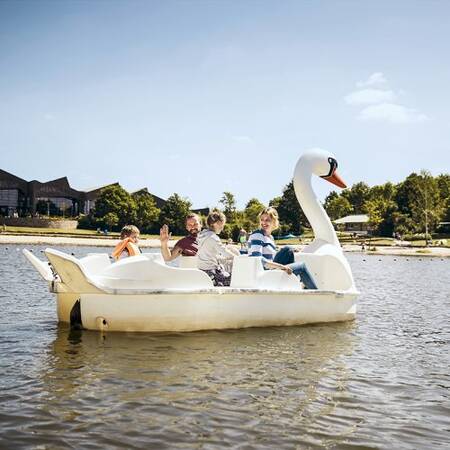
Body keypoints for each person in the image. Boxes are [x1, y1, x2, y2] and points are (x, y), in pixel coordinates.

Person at [248, 207, 318, 289]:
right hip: (264, 275)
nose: (264, 222)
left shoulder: (270, 237)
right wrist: (282, 267)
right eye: (262, 219)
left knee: (288, 249)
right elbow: (258, 259)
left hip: (270, 271)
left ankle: (295, 283)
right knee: (301, 266)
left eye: (267, 220)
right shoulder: (258, 235)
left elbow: (273, 257)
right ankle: (317, 294)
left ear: (274, 222)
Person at [197, 211, 240, 286]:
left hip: (202, 271)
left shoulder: (201, 235)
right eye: (221, 224)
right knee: (236, 279)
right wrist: (238, 258)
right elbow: (225, 253)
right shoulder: (213, 237)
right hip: (212, 273)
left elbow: (209, 254)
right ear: (215, 223)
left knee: (225, 267)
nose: (222, 227)